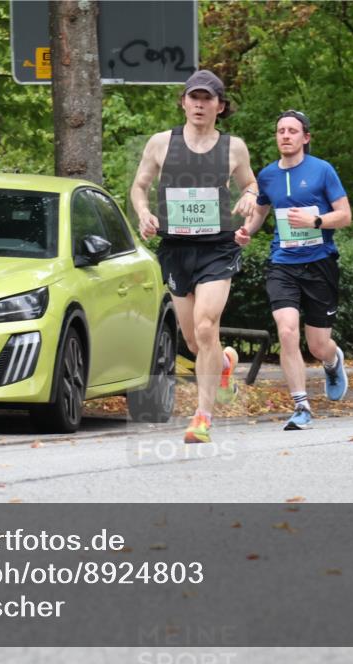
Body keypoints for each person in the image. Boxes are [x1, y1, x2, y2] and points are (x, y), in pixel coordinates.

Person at [130, 70, 259, 444]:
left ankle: (202, 416)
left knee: (206, 327)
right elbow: (139, 187)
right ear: (184, 102)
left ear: (220, 106)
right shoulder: (160, 144)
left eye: (208, 99)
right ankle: (224, 365)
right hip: (176, 247)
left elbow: (250, 183)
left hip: (218, 247)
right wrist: (143, 214)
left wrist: (249, 197)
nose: (200, 104)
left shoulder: (233, 147)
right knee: (191, 339)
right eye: (194, 97)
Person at [235, 110, 352, 431]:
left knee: (317, 345)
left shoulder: (322, 171)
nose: (285, 136)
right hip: (283, 264)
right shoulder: (268, 175)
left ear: (305, 138)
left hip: (320, 264)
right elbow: (258, 215)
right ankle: (301, 406)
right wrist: (246, 231)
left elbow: (344, 215)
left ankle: (331, 361)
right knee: (286, 331)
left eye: (292, 131)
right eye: (280, 131)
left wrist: (316, 221)